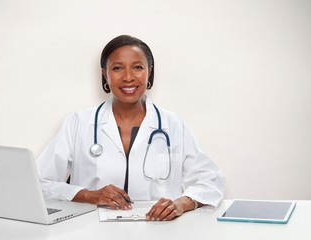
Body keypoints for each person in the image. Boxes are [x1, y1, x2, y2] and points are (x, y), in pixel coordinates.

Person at [36, 35, 225, 221]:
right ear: (105, 74)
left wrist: (181, 204)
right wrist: (88, 195)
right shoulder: (78, 122)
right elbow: (38, 182)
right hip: (91, 229)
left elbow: (210, 180)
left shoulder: (173, 124)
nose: (128, 77)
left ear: (149, 71)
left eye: (138, 67)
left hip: (159, 230)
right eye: (117, 68)